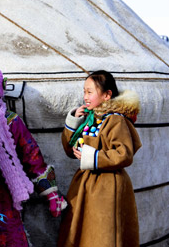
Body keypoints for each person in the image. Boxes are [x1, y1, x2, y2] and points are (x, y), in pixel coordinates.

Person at [0, 65, 67, 247]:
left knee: (8, 235)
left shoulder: (11, 121)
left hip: (3, 189)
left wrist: (50, 193)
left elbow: (31, 154)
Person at [58, 70, 142, 247]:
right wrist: (74, 122)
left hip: (107, 187)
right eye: (84, 91)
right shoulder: (90, 119)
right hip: (84, 186)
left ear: (106, 95)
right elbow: (69, 150)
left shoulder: (115, 120)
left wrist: (93, 157)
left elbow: (124, 153)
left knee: (102, 234)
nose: (85, 96)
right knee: (81, 233)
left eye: (90, 92)